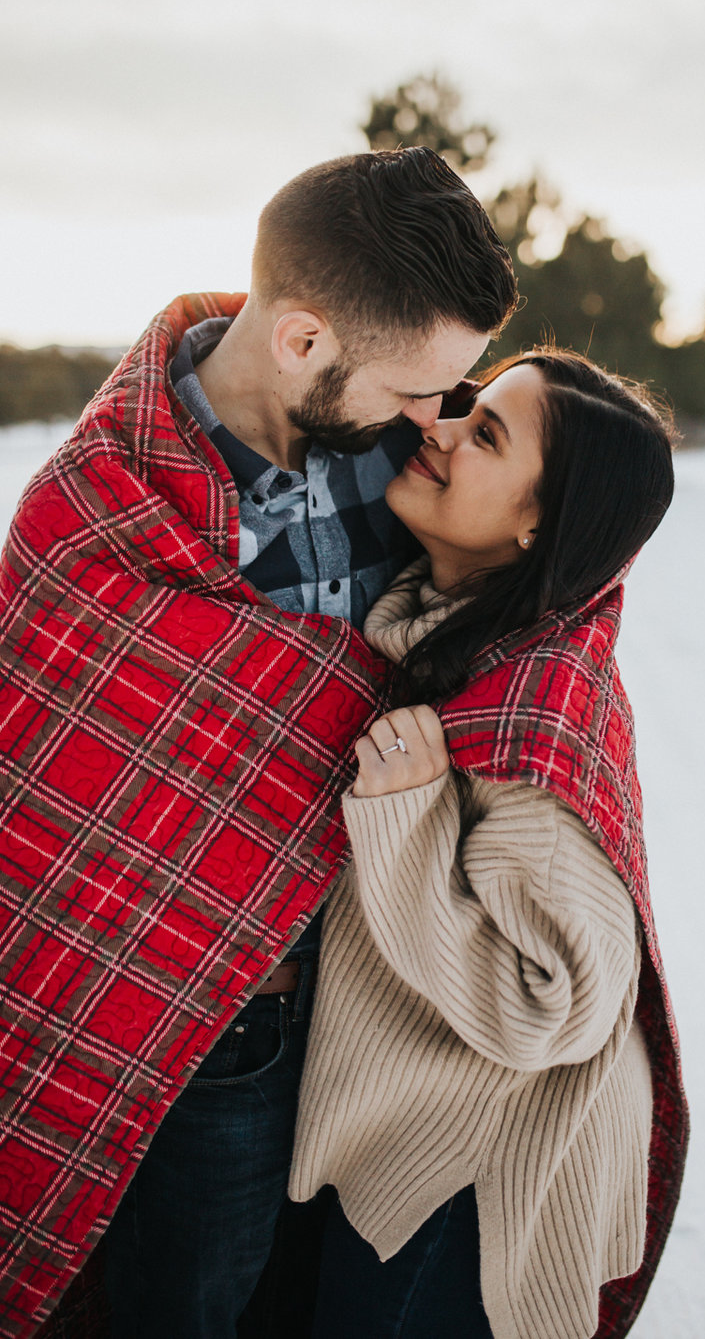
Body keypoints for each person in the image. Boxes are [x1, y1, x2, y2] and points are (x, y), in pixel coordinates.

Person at [0, 147, 517, 1339]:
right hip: (213, 1030)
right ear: (300, 342)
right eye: (414, 388)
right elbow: (49, 798)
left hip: (378, 1004)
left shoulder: (408, 463)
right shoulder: (96, 509)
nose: (439, 422)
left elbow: (542, 585)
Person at [289, 352, 690, 1339]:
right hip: (422, 1148)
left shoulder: (533, 708)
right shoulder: (452, 639)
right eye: (466, 408)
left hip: (468, 1188)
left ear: (536, 526)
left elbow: (554, 1007)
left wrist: (407, 817)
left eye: (486, 437)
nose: (440, 429)